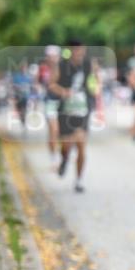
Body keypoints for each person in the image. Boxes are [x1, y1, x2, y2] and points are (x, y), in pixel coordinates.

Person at [50, 41, 94, 193]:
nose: (78, 53)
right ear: (70, 51)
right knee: (67, 145)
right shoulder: (61, 66)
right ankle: (64, 159)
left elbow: (96, 82)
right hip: (66, 110)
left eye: (81, 50)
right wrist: (64, 92)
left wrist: (95, 90)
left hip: (82, 110)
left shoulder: (89, 65)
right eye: (75, 50)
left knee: (81, 145)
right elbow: (52, 84)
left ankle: (79, 180)